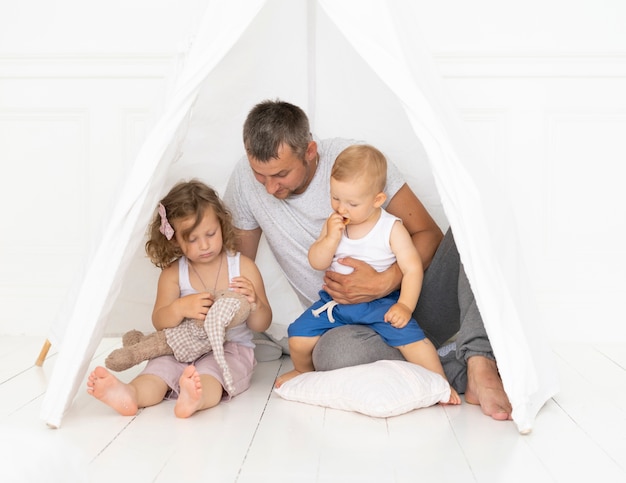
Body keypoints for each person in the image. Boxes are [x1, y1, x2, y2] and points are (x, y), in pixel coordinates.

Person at [223, 99, 512, 420]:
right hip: (349, 326)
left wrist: (385, 281)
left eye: (281, 174)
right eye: (260, 176)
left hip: (409, 300)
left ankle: (478, 361)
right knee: (335, 357)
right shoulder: (246, 182)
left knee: (474, 222)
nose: (270, 187)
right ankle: (446, 366)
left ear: (310, 151)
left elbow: (428, 234)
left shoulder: (357, 164)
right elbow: (236, 265)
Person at [274, 144, 461, 404]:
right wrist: (330, 238)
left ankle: (440, 383)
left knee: (414, 342)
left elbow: (412, 268)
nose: (341, 208)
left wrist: (405, 306)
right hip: (335, 305)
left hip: (380, 305)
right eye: (335, 198)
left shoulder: (390, 228)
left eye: (352, 203)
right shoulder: (333, 223)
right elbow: (316, 261)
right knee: (298, 336)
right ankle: (304, 373)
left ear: (377, 200)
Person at [87, 179, 272, 418]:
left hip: (229, 349)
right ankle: (130, 394)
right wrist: (180, 308)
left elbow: (262, 324)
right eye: (192, 239)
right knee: (159, 369)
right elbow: (159, 320)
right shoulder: (174, 274)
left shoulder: (242, 267)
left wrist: (255, 303)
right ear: (174, 240)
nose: (204, 245)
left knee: (212, 374)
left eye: (210, 233)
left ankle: (196, 397)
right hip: (181, 347)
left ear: (222, 224)